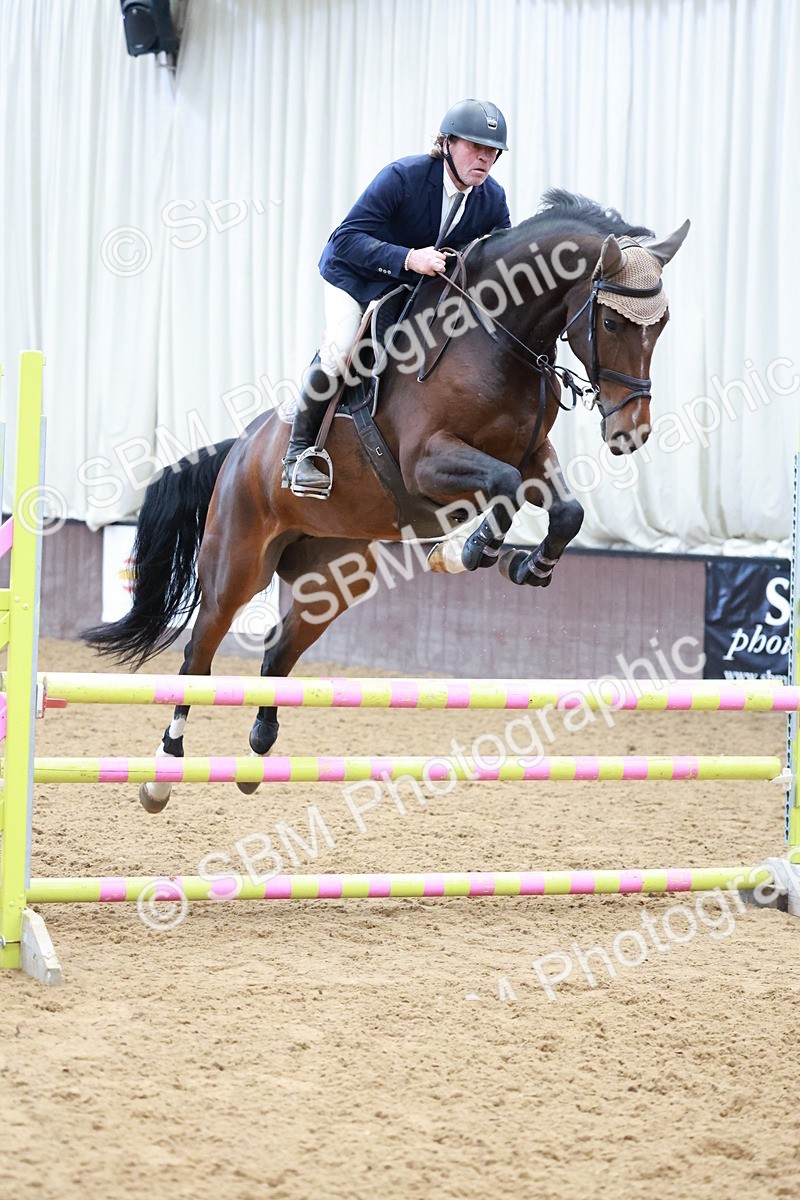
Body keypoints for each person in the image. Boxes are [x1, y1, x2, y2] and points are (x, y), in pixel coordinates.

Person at [283, 98, 512, 496]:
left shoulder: (491, 199)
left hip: (410, 291)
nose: (485, 158)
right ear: (446, 144)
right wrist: (408, 258)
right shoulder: (403, 177)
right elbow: (345, 239)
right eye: (475, 147)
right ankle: (299, 454)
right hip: (356, 274)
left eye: (492, 151)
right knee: (341, 347)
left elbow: (497, 259)